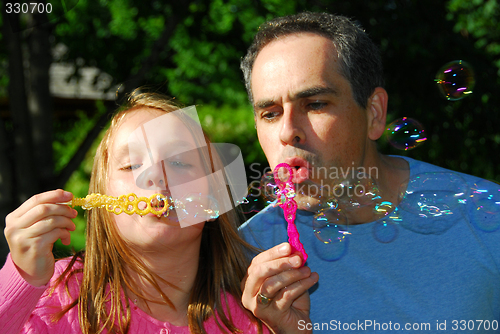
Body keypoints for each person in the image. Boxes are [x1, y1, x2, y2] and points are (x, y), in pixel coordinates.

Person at [239, 12, 500, 333]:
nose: (287, 131)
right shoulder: (244, 255)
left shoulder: (487, 217)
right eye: (270, 113)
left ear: (374, 113)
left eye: (315, 104)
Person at [0, 91, 272, 334]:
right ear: (102, 198)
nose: (155, 176)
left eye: (178, 161)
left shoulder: (254, 314)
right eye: (131, 166)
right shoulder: (57, 297)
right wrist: (23, 278)